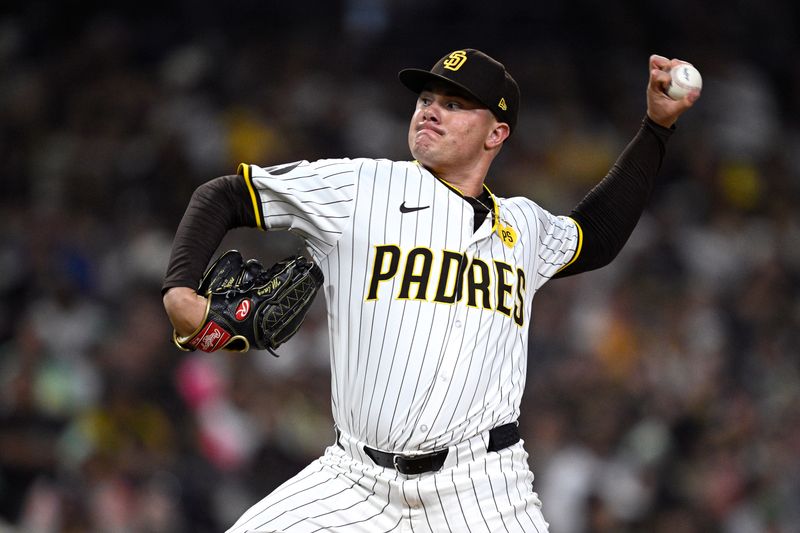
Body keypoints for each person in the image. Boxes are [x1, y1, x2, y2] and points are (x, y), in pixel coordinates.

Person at [162, 48, 699, 532]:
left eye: (456, 103)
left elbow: (596, 238)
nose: (431, 109)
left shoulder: (525, 226)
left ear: (497, 133)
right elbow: (226, 194)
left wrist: (656, 129)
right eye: (426, 97)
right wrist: (179, 292)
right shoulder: (362, 187)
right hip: (354, 481)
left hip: (484, 489)